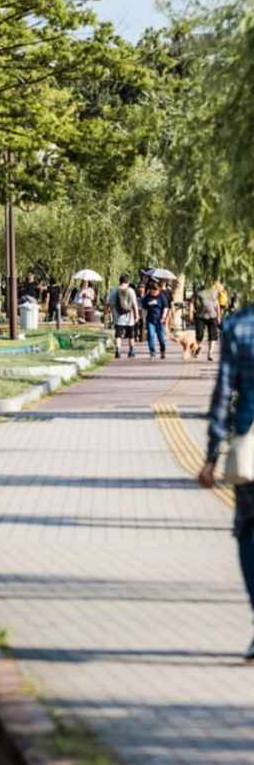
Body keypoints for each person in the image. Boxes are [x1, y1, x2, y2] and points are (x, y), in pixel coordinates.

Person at [198, 300, 254, 659]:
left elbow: (223, 394)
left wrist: (211, 456)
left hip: (249, 445)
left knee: (249, 530)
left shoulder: (238, 327)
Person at [109, 275, 140, 358]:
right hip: (129, 317)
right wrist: (137, 315)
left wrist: (110, 315)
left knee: (118, 335)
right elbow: (134, 304)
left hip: (118, 317)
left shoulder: (114, 290)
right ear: (128, 282)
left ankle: (118, 351)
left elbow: (110, 304)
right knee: (131, 335)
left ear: (119, 281)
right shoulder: (131, 290)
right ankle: (131, 351)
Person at [141, 280, 170, 359]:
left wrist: (163, 317)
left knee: (161, 337)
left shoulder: (161, 296)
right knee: (150, 336)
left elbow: (166, 307)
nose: (155, 292)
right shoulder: (147, 298)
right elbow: (144, 309)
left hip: (160, 320)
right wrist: (143, 319)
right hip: (150, 320)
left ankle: (162, 350)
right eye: (153, 290)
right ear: (150, 290)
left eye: (156, 290)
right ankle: (152, 352)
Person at [197, 281, 223, 363]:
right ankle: (198, 347)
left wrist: (219, 316)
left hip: (213, 316)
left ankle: (210, 354)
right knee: (199, 334)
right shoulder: (201, 293)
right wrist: (191, 312)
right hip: (201, 316)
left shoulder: (216, 295)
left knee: (213, 335)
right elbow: (193, 302)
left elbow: (218, 306)